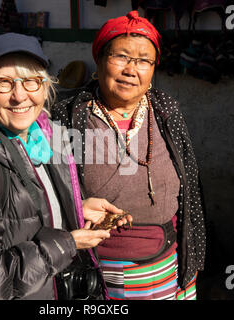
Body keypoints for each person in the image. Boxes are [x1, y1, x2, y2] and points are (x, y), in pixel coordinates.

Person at [0, 32, 130, 300]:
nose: (19, 96)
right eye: (4, 83)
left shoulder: (47, 138)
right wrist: (68, 244)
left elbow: (25, 209)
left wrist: (74, 206)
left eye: (31, 82)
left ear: (46, 88)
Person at [52, 11, 206, 300]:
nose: (131, 69)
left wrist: (192, 255)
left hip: (166, 263)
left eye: (144, 61)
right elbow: (47, 189)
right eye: (120, 56)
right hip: (94, 269)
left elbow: (191, 186)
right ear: (98, 60)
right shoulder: (68, 115)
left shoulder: (165, 110)